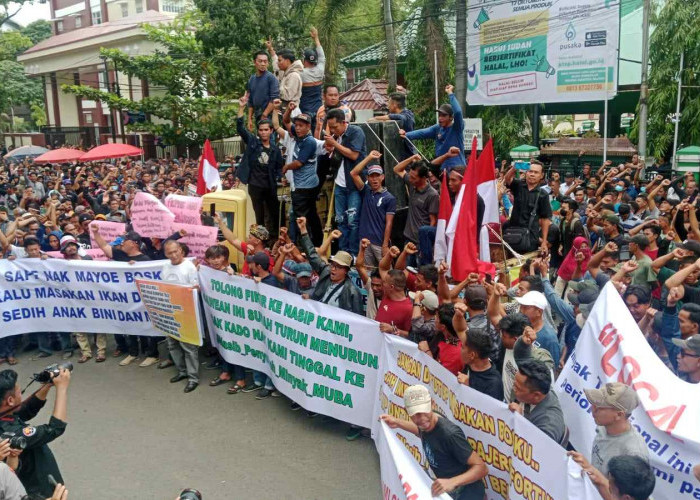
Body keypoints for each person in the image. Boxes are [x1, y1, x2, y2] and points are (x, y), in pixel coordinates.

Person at [380, 385, 489, 499]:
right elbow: (421, 430)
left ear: (432, 404)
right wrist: (397, 423)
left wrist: (452, 482)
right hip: (447, 490)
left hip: (465, 493)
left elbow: (482, 468)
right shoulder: (427, 425)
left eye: (424, 411)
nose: (421, 418)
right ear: (406, 411)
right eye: (415, 414)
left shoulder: (450, 434)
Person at [91, 227, 158, 367]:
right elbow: (103, 246)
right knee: (130, 326)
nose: (121, 243)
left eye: (124, 240)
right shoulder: (120, 255)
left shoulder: (145, 260)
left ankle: (152, 354)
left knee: (148, 328)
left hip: (142, 301)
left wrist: (136, 268)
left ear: (134, 243)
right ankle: (133, 353)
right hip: (126, 301)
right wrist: (96, 232)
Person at [0, 367, 70, 498]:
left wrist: (47, 385)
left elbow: (25, 409)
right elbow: (54, 428)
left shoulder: (4, 415)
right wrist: (62, 388)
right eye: (19, 391)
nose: (21, 394)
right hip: (39, 490)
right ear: (10, 401)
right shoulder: (13, 433)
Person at [568, 383, 648, 477]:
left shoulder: (634, 454)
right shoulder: (604, 427)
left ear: (619, 415)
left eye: (598, 407)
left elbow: (623, 492)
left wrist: (591, 470)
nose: (592, 409)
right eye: (593, 404)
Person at [235, 96, 284, 240]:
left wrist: (282, 176)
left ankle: (275, 241)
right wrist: (242, 108)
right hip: (255, 185)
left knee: (275, 214)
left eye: (266, 130)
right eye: (261, 130)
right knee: (259, 216)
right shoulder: (252, 143)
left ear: (270, 131)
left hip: (270, 186)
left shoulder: (275, 150)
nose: (263, 132)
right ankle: (259, 242)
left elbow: (279, 168)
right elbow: (240, 128)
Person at [296, 217, 363, 315]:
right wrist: (303, 230)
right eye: (332, 265)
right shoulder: (325, 272)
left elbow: (357, 319)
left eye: (338, 267)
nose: (333, 269)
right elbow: (312, 255)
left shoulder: (353, 292)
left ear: (346, 271)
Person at [324, 107, 367, 255]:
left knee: (352, 222)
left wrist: (335, 144)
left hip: (354, 185)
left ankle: (354, 254)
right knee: (341, 221)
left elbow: (354, 155)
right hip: (340, 184)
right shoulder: (337, 136)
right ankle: (342, 253)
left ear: (344, 122)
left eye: (335, 127)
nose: (333, 130)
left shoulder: (356, 132)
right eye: (331, 128)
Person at [161, 240, 200, 393]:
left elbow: (195, 289)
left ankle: (193, 378)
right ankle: (182, 371)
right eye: (170, 253)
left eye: (176, 251)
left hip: (186, 313)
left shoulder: (189, 267)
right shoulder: (165, 266)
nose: (174, 255)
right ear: (166, 254)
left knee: (189, 347)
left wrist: (194, 289)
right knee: (172, 344)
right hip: (171, 312)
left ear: (181, 251)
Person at [400, 85, 465, 170]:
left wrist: (450, 93)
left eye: (444, 115)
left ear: (451, 117)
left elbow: (458, 112)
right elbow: (421, 133)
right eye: (439, 115)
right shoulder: (437, 128)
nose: (440, 118)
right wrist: (405, 134)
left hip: (457, 169)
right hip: (441, 169)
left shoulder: (457, 127)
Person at [282, 109, 322, 246]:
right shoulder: (298, 136)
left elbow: (299, 163)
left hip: (303, 188)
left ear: (308, 127)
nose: (297, 128)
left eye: (301, 126)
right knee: (311, 215)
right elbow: (285, 121)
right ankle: (316, 242)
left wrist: (286, 167)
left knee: (300, 218)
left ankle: (305, 247)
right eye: (297, 125)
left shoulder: (309, 142)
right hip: (304, 185)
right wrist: (289, 110)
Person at [350, 152, 396, 267]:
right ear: (368, 178)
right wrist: (369, 158)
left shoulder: (389, 198)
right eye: (372, 176)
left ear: (382, 177)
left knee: (386, 274)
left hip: (380, 244)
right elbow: (354, 173)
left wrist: (385, 245)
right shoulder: (366, 191)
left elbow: (389, 223)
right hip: (365, 242)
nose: (375, 179)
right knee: (368, 274)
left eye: (377, 176)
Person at [509, 359, 567, 445]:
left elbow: (535, 452)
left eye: (518, 388)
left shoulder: (548, 425)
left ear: (536, 395)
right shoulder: (539, 387)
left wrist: (519, 421)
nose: (513, 388)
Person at [393, 157, 439, 261]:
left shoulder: (432, 195)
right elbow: (397, 169)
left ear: (423, 178)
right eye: (410, 176)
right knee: (407, 272)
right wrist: (412, 158)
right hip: (408, 240)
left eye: (414, 177)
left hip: (421, 243)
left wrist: (427, 244)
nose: (410, 179)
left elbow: (433, 221)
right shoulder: (412, 184)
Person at [502, 160, 552, 254]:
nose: (532, 174)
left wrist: (544, 241)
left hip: (530, 238)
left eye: (536, 172)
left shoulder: (543, 194)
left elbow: (545, 219)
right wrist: (514, 167)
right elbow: (507, 179)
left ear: (541, 175)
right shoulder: (519, 185)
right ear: (526, 172)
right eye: (530, 171)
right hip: (513, 235)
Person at [369, 92, 415, 160]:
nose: (388, 106)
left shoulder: (407, 115)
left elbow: (401, 117)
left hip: (407, 153)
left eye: (389, 103)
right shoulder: (407, 113)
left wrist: (375, 118)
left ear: (394, 105)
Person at [244, 51, 279, 131]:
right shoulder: (252, 79)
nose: (263, 64)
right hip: (258, 115)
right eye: (260, 61)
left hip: (269, 116)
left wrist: (264, 115)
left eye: (265, 61)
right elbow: (250, 101)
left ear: (268, 63)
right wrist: (249, 119)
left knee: (270, 141)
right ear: (254, 62)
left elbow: (274, 99)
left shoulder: (271, 78)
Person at [299, 27, 325, 117]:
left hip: (305, 110)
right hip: (319, 109)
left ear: (304, 60)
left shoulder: (300, 73)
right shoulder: (320, 70)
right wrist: (316, 38)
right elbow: (322, 57)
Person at [268, 43, 303, 108]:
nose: (278, 63)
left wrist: (272, 88)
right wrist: (271, 50)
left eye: (280, 60)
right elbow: (276, 66)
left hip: (290, 112)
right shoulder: (286, 73)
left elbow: (287, 96)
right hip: (284, 110)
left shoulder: (294, 76)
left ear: (287, 61)